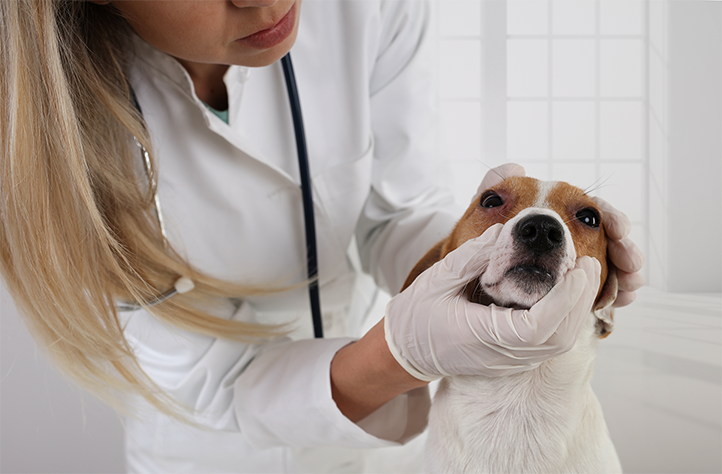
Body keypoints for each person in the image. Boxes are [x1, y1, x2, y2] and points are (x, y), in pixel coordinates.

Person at [0, 1, 645, 473]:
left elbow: (397, 212)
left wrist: (470, 252)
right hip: (202, 452)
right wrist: (400, 352)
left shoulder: (371, 9)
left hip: (348, 450)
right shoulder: (54, 138)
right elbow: (214, 384)